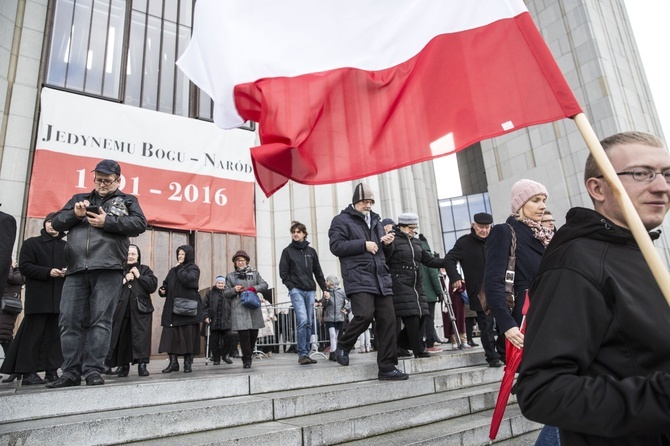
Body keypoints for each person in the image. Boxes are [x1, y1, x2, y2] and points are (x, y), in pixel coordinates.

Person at [515, 131, 670, 445]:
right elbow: (541, 390)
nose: (661, 186)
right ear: (597, 188)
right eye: (642, 174)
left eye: (667, 174)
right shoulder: (576, 264)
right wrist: (659, 396)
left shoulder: (641, 252)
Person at [47, 159, 146, 388]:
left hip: (109, 267)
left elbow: (140, 224)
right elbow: (57, 223)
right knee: (68, 320)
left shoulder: (127, 200)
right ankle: (70, 371)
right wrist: (75, 214)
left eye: (107, 180)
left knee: (101, 321)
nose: (102, 183)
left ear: (118, 180)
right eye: (99, 179)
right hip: (76, 268)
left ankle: (93, 370)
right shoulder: (78, 199)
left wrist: (107, 221)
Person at [328, 183, 408, 381]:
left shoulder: (376, 221)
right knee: (364, 315)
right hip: (358, 276)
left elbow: (382, 253)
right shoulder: (341, 220)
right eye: (365, 201)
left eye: (371, 202)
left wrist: (387, 245)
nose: (368, 205)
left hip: (381, 277)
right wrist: (363, 245)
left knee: (388, 321)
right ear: (355, 201)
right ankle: (343, 346)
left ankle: (387, 367)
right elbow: (336, 246)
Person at [1, 213, 65, 385]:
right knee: (32, 337)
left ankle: (52, 372)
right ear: (44, 224)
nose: (52, 225)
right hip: (38, 298)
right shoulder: (32, 243)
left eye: (56, 222)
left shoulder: (67, 247)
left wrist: (66, 271)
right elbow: (25, 267)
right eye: (49, 222)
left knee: (54, 337)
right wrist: (48, 272)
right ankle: (28, 373)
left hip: (59, 299)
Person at [445, 212, 503, 367]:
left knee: (505, 323)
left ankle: (503, 352)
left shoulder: (496, 240)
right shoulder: (464, 242)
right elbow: (449, 259)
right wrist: (455, 276)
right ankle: (492, 357)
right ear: (473, 225)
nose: (484, 231)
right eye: (481, 227)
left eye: (487, 227)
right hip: (479, 291)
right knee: (486, 325)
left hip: (500, 288)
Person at [388, 213, 449, 359]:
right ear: (402, 226)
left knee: (423, 315)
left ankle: (400, 343)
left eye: (415, 228)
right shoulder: (393, 240)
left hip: (416, 283)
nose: (413, 231)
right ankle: (418, 350)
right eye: (410, 227)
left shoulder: (417, 243)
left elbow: (429, 261)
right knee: (412, 316)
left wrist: (448, 261)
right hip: (400, 282)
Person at [279, 221, 329, 365]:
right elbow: (283, 273)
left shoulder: (311, 252)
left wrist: (324, 289)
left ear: (304, 234)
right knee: (302, 320)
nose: (295, 234)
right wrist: (291, 287)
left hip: (310, 290)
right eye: (293, 232)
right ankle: (302, 353)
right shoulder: (287, 251)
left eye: (298, 232)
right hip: (297, 291)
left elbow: (318, 272)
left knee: (309, 323)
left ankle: (306, 353)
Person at [106, 244, 157, 377]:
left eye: (133, 254)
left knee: (141, 338)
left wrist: (139, 276)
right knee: (122, 338)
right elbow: (109, 287)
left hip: (141, 310)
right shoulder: (119, 269)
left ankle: (142, 365)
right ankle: (123, 366)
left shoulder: (145, 269)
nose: (130, 256)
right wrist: (123, 280)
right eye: (128, 253)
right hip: (122, 309)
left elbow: (152, 286)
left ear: (138, 256)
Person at [158, 245, 203, 374]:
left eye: (183, 254)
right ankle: (173, 363)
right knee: (171, 336)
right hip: (172, 310)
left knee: (188, 336)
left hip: (187, 310)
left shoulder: (193, 268)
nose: (180, 256)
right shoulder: (173, 270)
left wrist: (179, 268)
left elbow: (189, 280)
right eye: (179, 254)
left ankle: (187, 363)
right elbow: (166, 284)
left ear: (188, 255)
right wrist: (163, 290)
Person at [223, 250, 268, 369]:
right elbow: (225, 293)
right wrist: (234, 290)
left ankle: (248, 355)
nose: (240, 262)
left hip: (253, 308)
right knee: (244, 336)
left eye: (242, 260)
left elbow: (264, 285)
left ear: (246, 261)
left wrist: (254, 288)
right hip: (239, 309)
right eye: (238, 260)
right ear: (235, 263)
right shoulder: (230, 276)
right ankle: (247, 359)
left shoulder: (254, 274)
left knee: (253, 335)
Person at [417, 234, 444, 353]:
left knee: (420, 319)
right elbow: (434, 275)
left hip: (418, 293)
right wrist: (440, 292)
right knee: (429, 319)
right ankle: (430, 343)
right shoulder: (428, 255)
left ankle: (420, 344)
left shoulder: (416, 254)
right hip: (429, 294)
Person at [203, 276, 233, 365]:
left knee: (229, 337)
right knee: (214, 341)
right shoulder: (210, 293)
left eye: (222, 283)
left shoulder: (228, 293)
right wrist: (206, 316)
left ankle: (224, 354)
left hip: (226, 320)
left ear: (225, 284)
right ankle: (216, 358)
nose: (220, 284)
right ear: (216, 284)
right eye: (219, 283)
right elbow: (204, 306)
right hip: (214, 320)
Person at [0, 260, 24, 361]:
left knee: (5, 335)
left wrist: (9, 265)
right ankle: (13, 366)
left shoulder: (19, 273)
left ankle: (13, 365)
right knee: (4, 337)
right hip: (4, 307)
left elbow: (10, 278)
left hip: (8, 308)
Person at [322, 274, 348, 361]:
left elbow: (351, 299)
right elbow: (324, 304)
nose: (326, 282)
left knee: (336, 335)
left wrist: (346, 308)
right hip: (329, 317)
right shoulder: (326, 292)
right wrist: (326, 299)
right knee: (332, 334)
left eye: (327, 281)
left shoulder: (341, 291)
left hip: (339, 317)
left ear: (331, 282)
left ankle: (335, 353)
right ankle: (333, 352)